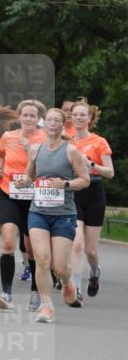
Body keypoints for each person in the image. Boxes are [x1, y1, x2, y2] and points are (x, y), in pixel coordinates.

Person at [22, 108, 90, 322]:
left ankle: (67, 282)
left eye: (56, 120)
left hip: (63, 214)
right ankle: (46, 307)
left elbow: (85, 180)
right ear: (45, 124)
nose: (52, 123)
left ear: (62, 125)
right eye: (48, 120)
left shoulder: (71, 151)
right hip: (38, 212)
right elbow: (29, 175)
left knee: (60, 266)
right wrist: (23, 181)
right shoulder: (35, 149)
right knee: (42, 259)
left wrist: (66, 184)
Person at [0, 100, 46, 311]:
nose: (29, 119)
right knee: (7, 243)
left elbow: (51, 165)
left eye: (33, 115)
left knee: (31, 248)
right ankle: (6, 294)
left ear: (39, 118)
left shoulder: (46, 138)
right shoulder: (8, 136)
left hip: (35, 198)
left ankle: (35, 291)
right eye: (25, 115)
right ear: (19, 116)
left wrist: (30, 149)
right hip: (8, 194)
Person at [70, 99, 114, 303]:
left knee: (90, 250)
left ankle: (95, 272)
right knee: (76, 245)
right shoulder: (66, 140)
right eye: (75, 114)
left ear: (89, 118)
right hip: (74, 193)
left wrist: (92, 164)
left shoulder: (99, 141)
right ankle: (76, 290)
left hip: (94, 193)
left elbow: (110, 173)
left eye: (82, 115)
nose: (78, 118)